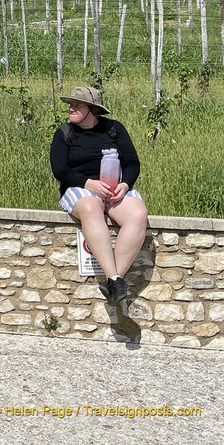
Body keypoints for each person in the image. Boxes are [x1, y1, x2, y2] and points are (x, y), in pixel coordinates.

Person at [50, 86, 148, 304]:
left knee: (138, 213)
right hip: (79, 188)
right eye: (70, 104)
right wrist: (89, 184)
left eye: (77, 104)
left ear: (92, 109)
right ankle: (114, 277)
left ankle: (114, 281)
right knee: (90, 208)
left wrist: (125, 184)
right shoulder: (64, 133)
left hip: (114, 188)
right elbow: (61, 170)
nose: (71, 108)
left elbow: (132, 162)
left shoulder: (114, 129)